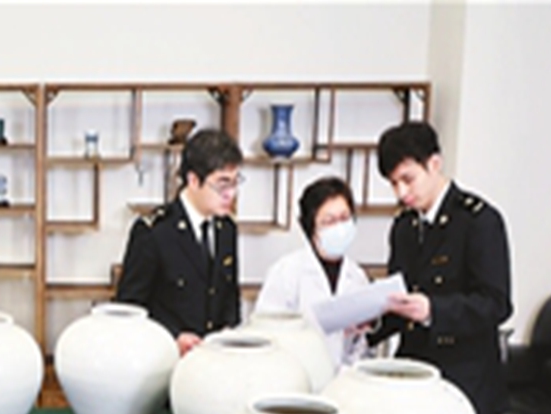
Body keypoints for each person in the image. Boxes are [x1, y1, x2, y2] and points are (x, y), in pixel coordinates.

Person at [370, 120, 512, 414]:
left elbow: (496, 304)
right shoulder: (405, 227)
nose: (401, 192)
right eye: (393, 184)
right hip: (413, 374)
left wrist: (433, 310)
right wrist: (370, 324)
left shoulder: (478, 221)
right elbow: (402, 298)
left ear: (434, 164)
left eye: (408, 179)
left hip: (465, 378)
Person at [116, 129, 244, 356]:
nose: (231, 194)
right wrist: (173, 336)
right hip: (165, 361)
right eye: (223, 184)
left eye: (236, 182)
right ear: (193, 180)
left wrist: (228, 336)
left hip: (216, 360)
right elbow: (128, 311)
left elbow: (230, 299)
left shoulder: (227, 230)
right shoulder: (153, 232)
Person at [255, 176, 372, 367]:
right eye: (329, 221)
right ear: (311, 228)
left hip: (344, 384)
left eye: (344, 218)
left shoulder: (357, 276)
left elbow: (362, 346)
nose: (339, 228)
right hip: (296, 379)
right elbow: (266, 334)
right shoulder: (286, 272)